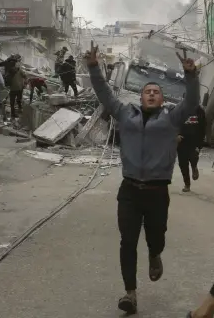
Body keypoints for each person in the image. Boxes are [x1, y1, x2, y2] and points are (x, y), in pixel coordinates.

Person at [84, 41, 199, 315]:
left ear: (161, 99)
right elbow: (104, 94)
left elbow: (192, 101)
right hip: (130, 190)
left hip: (158, 192)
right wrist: (93, 67)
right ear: (141, 97)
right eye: (147, 91)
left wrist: (191, 75)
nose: (150, 94)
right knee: (127, 241)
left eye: (155, 92)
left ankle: (155, 252)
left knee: (156, 236)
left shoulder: (172, 119)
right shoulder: (126, 114)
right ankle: (130, 294)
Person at [177, 102, 206, 192]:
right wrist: (176, 135)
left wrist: (199, 145)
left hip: (194, 141)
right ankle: (187, 184)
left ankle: (194, 167)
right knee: (182, 163)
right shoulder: (179, 110)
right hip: (182, 141)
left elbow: (203, 128)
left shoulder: (200, 111)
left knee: (193, 157)